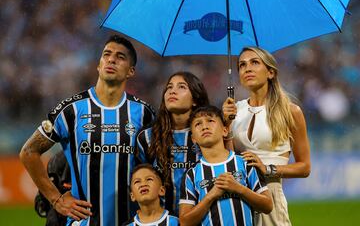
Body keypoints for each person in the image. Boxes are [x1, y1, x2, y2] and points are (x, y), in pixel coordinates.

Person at [19, 35, 155, 226]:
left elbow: (158, 164)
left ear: (131, 71)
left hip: (131, 221)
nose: (111, 59)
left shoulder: (144, 113)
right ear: (99, 65)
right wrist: (56, 199)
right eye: (106, 54)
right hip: (82, 222)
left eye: (120, 57)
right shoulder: (71, 110)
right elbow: (28, 152)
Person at [223, 46, 311, 225]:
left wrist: (268, 169)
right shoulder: (233, 110)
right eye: (242, 65)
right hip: (238, 194)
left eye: (255, 63)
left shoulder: (291, 111)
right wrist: (225, 124)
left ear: (270, 72)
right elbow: (227, 158)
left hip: (270, 192)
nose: (247, 68)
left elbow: (304, 167)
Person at [179, 105, 272, 226]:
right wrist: (211, 195)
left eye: (211, 121)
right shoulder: (191, 174)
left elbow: (268, 205)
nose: (205, 126)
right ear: (193, 138)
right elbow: (185, 222)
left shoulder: (245, 162)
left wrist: (238, 188)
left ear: (225, 130)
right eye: (198, 124)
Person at [136, 71, 209, 216]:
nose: (172, 91)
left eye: (181, 87)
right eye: (169, 87)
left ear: (195, 99)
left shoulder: (207, 134)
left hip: (203, 218)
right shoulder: (147, 137)